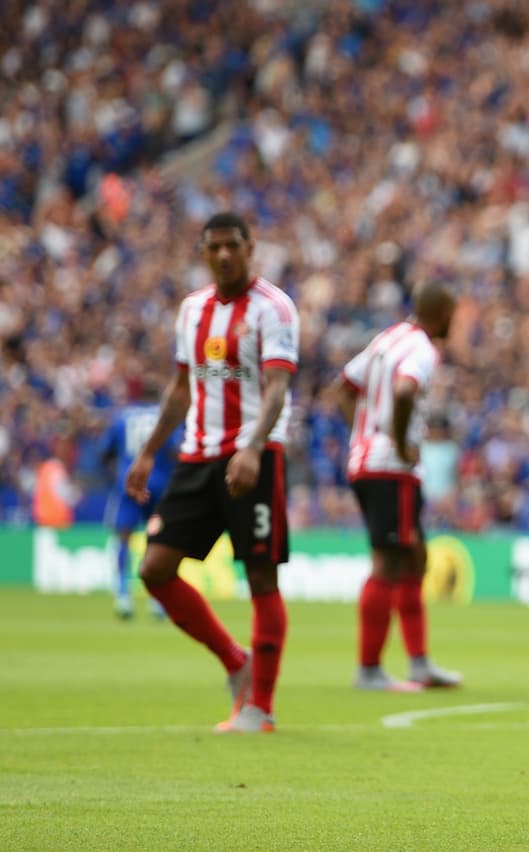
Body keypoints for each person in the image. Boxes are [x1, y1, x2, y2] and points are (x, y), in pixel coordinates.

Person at [126, 211, 298, 734]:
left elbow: (276, 388)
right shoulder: (192, 311)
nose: (223, 255)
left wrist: (252, 447)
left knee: (261, 576)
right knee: (155, 569)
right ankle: (234, 661)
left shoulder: (274, 309)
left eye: (232, 246)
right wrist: (149, 452)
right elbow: (182, 388)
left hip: (253, 458)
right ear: (203, 252)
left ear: (251, 247)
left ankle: (259, 708)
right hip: (197, 457)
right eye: (214, 247)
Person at [334, 281, 463, 692]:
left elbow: (343, 387)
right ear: (443, 315)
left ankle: (420, 665)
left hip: (371, 462)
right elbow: (406, 390)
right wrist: (401, 441)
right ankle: (368, 669)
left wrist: (362, 433)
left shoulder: (386, 339)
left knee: (413, 558)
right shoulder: (422, 348)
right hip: (390, 467)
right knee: (389, 562)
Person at [99, 394, 182, 620]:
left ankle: (123, 596)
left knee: (123, 537)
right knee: (156, 539)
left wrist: (115, 475)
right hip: (160, 485)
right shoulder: (166, 416)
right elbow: (176, 449)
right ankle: (157, 600)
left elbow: (105, 452)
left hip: (129, 482)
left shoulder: (123, 416)